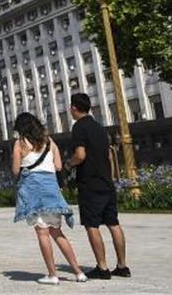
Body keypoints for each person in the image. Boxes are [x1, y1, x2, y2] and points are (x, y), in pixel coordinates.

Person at [12, 112, 86, 285]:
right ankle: (78, 272)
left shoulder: (20, 143)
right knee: (57, 232)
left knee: (42, 233)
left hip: (32, 191)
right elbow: (59, 166)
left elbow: (16, 170)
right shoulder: (50, 141)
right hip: (51, 190)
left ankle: (52, 275)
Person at [64, 93, 129, 280]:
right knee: (113, 223)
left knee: (92, 225)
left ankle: (102, 267)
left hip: (90, 183)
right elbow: (109, 156)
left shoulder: (79, 127)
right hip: (106, 182)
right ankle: (122, 266)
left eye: (71, 108)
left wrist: (69, 164)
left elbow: (80, 155)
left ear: (74, 108)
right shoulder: (100, 127)